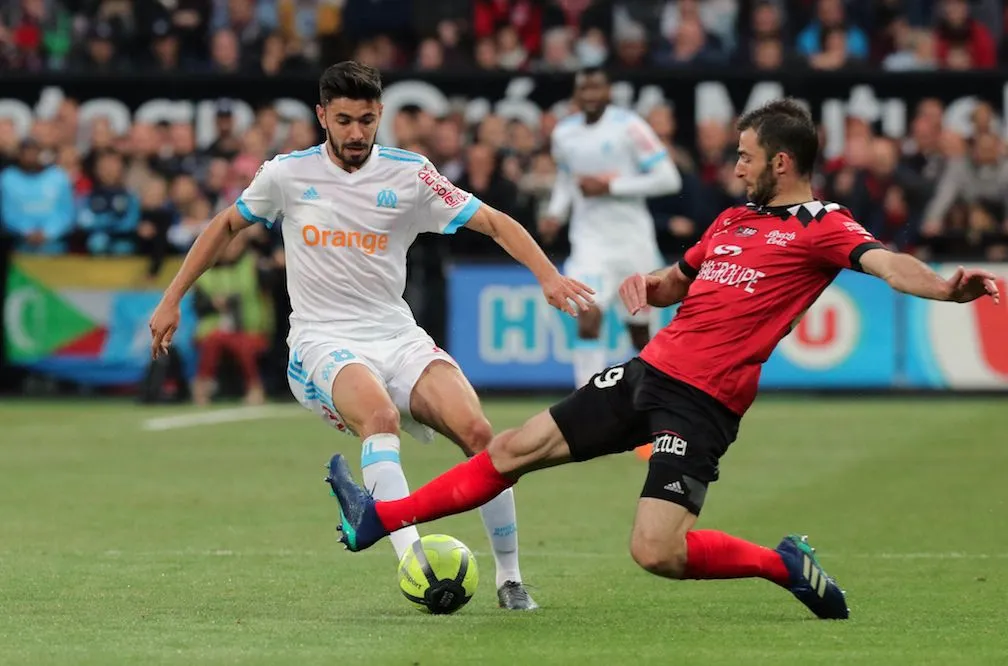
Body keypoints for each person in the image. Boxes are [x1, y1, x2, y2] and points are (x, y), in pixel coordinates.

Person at [324, 99, 1000, 620]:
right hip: (648, 372)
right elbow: (679, 278)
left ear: (782, 163)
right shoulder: (733, 222)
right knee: (510, 449)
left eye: (746, 156)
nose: (736, 166)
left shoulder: (822, 225)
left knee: (656, 552)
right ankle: (377, 519)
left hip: (702, 403)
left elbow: (886, 264)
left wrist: (943, 287)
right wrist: (648, 284)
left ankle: (781, 564)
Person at [148, 61, 593, 611]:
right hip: (322, 339)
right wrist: (172, 298)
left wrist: (547, 276)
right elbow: (224, 225)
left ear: (379, 114)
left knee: (481, 434)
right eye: (343, 120)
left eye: (365, 119)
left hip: (396, 333)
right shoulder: (287, 173)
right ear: (321, 117)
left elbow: (495, 222)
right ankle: (415, 564)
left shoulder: (411, 175)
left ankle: (510, 579)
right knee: (379, 420)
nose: (356, 132)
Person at [540, 67, 682, 388]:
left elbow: (668, 179)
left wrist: (611, 187)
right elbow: (566, 179)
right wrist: (555, 212)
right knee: (588, 315)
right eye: (584, 90)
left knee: (639, 329)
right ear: (576, 95)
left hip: (632, 241)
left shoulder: (629, 127)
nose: (590, 96)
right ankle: (586, 402)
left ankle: (652, 394)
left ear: (608, 93)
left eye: (597, 89)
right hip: (589, 241)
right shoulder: (564, 133)